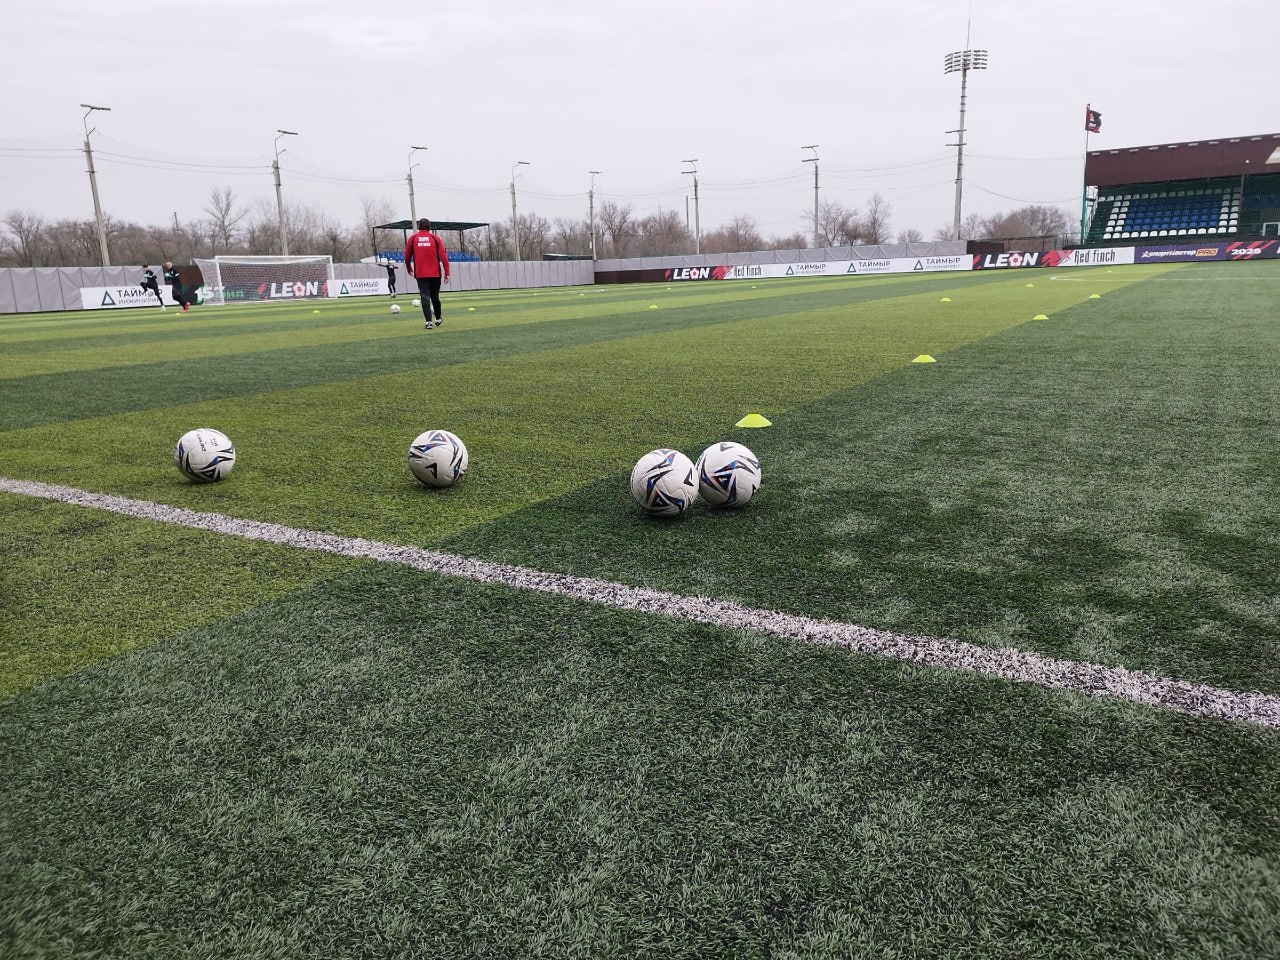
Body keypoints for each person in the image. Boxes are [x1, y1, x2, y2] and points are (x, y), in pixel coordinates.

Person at [404, 218, 450, 329]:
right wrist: (447, 273)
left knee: (424, 296)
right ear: (429, 227)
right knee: (435, 297)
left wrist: (409, 268)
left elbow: (406, 256)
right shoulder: (435, 238)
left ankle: (428, 322)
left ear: (419, 226)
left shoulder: (413, 238)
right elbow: (443, 257)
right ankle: (438, 318)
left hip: (421, 273)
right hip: (435, 273)